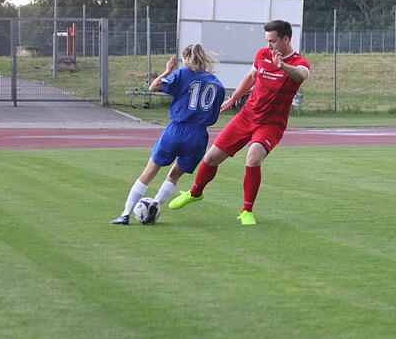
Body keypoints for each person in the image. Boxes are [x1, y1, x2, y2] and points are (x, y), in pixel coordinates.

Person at [167, 19, 310, 225]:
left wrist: (283, 66)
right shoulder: (262, 54)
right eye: (267, 41)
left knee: (253, 158)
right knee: (211, 158)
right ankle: (196, 193)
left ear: (285, 39)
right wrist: (233, 99)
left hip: (271, 123)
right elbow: (251, 76)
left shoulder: (298, 62)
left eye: (272, 41)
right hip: (247, 115)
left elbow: (301, 76)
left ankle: (246, 211)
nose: (268, 45)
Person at [111, 44, 224, 225]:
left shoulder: (183, 74)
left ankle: (125, 214)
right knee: (174, 175)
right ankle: (155, 202)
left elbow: (153, 87)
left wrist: (167, 70)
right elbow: (215, 113)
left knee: (149, 172)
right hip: (198, 135)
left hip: (176, 129)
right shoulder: (217, 84)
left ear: (187, 58)